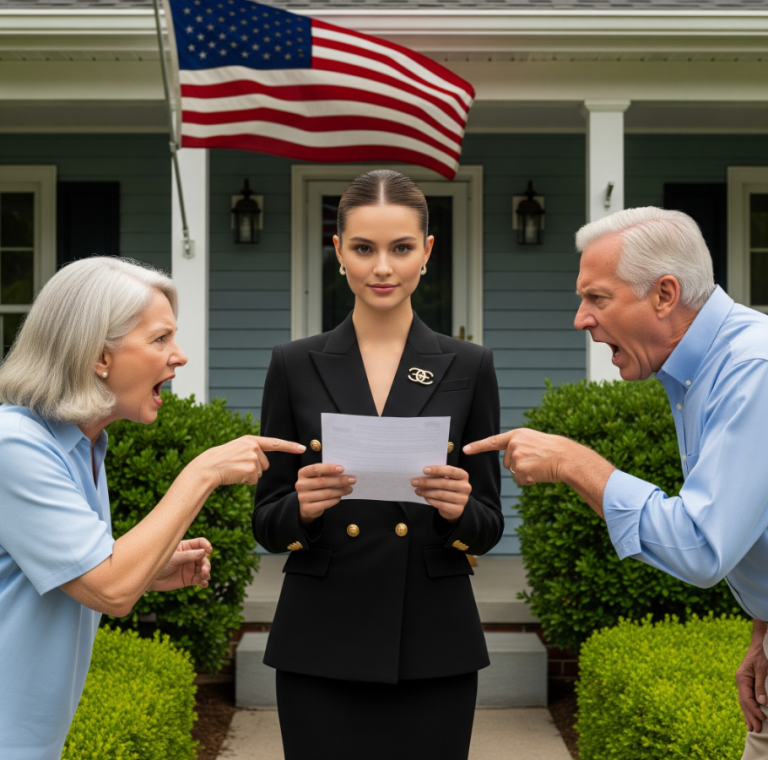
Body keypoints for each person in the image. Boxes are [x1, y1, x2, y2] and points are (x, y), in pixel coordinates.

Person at [464, 206, 768, 759]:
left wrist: (574, 462)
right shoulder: (700, 368)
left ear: (665, 294)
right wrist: (764, 627)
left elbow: (701, 545)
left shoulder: (754, 368)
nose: (581, 319)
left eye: (597, 298)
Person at [0, 257, 305, 760]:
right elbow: (112, 589)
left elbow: (91, 574)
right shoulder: (16, 446)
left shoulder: (85, 447)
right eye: (160, 339)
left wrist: (148, 567)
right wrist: (202, 472)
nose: (179, 356)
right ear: (100, 356)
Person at [252, 170, 504, 760]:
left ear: (427, 253)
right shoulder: (292, 364)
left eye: (400, 248)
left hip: (431, 638)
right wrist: (301, 510)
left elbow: (489, 523)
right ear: (338, 251)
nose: (382, 267)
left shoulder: (470, 365)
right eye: (364, 248)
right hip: (322, 637)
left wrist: (459, 511)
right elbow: (266, 520)